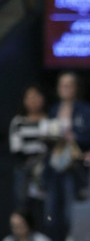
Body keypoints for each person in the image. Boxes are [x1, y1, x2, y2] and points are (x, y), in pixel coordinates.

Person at [43, 72, 90, 241]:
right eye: (62, 85)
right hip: (54, 168)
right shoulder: (53, 109)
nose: (65, 88)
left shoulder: (85, 110)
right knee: (50, 216)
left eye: (69, 85)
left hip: (73, 170)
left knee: (70, 215)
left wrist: (73, 136)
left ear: (76, 88)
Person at [9, 84, 49, 224]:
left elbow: (52, 146)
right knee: (23, 207)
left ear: (42, 98)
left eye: (36, 96)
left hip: (46, 170)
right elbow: (16, 148)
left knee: (46, 211)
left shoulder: (49, 120)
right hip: (24, 169)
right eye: (29, 97)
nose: (33, 100)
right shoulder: (18, 122)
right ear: (24, 100)